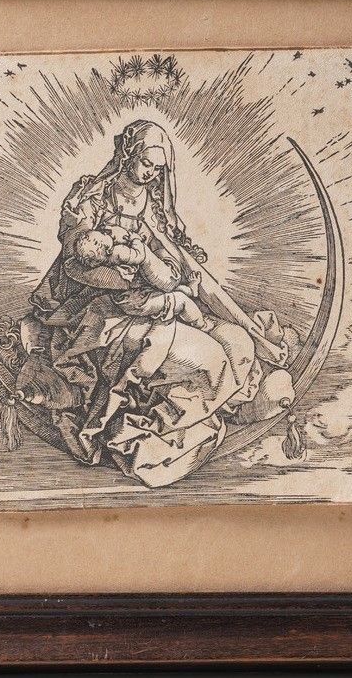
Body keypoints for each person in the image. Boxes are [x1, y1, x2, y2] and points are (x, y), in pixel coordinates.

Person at [24, 119, 294, 488]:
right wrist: (132, 278)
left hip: (155, 301)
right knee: (211, 361)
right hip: (97, 314)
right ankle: (137, 433)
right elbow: (76, 265)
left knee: (238, 342)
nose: (151, 173)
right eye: (146, 163)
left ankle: (197, 412)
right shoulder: (90, 198)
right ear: (127, 154)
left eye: (158, 167)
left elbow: (194, 273)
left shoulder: (152, 208)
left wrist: (253, 332)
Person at [72, 225, 210, 330]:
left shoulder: (107, 259)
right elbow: (139, 256)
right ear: (101, 247)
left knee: (170, 292)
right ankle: (202, 324)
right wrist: (136, 239)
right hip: (141, 301)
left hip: (133, 298)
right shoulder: (118, 252)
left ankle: (191, 290)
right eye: (103, 235)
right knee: (180, 300)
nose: (107, 234)